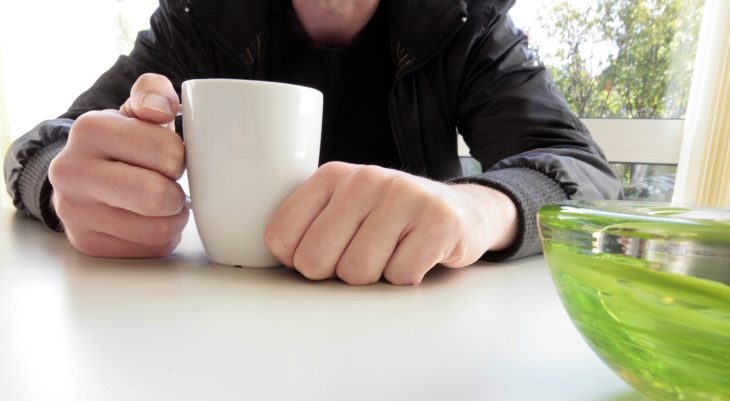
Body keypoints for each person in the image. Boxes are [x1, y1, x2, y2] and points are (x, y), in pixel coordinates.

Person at [3, 0, 622, 285]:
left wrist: (476, 211)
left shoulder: (466, 21)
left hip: (414, 323)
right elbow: (45, 145)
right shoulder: (202, 19)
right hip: (216, 324)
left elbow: (584, 171)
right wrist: (67, 186)